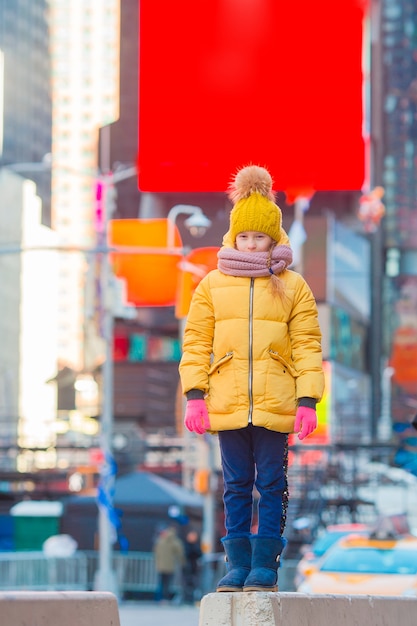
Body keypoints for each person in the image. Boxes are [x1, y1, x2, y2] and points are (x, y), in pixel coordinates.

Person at [179, 164, 324, 592]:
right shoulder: (210, 285)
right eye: (243, 236)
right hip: (227, 402)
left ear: (273, 238)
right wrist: (195, 395)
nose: (251, 244)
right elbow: (196, 342)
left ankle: (266, 565)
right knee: (236, 486)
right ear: (232, 236)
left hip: (276, 402)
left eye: (259, 237)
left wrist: (307, 401)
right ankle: (237, 565)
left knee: (273, 485)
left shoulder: (294, 286)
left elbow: (308, 345)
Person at [153, 524, 185, 602]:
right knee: (168, 584)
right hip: (170, 565)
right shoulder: (175, 541)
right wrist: (182, 562)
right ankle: (166, 598)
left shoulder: (160, 540)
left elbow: (156, 552)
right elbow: (180, 552)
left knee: (161, 583)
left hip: (160, 565)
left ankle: (160, 599)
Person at [182, 529, 203, 603]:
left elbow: (200, 554)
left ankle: (192, 599)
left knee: (194, 583)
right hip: (187, 567)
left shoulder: (196, 545)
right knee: (187, 583)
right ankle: (186, 599)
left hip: (194, 567)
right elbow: (186, 554)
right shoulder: (186, 545)